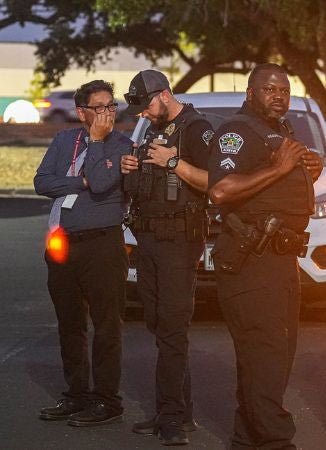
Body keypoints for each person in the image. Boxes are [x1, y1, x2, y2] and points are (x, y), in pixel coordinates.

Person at [207, 63, 322, 450]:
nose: (279, 96)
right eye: (270, 89)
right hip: (252, 261)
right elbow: (221, 190)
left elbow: (279, 187)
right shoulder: (236, 132)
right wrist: (279, 167)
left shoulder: (280, 132)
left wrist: (309, 171)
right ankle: (275, 440)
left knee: (270, 355)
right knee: (267, 354)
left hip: (281, 261)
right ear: (251, 91)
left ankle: (246, 439)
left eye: (285, 91)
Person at [120, 69, 214, 446]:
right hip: (148, 239)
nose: (142, 114)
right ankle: (177, 410)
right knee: (159, 324)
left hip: (178, 242)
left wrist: (174, 162)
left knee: (173, 327)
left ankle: (172, 417)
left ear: (164, 94)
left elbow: (214, 182)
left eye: (146, 106)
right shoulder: (151, 129)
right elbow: (146, 183)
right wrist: (132, 168)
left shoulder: (197, 128)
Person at [34, 80, 131, 427]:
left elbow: (104, 184)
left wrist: (97, 143)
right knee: (70, 323)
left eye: (111, 106)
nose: (107, 113)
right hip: (63, 242)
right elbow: (42, 181)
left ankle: (107, 399)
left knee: (106, 324)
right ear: (81, 112)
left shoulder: (122, 144)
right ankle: (76, 394)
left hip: (103, 243)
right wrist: (81, 182)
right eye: (99, 107)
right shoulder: (63, 140)